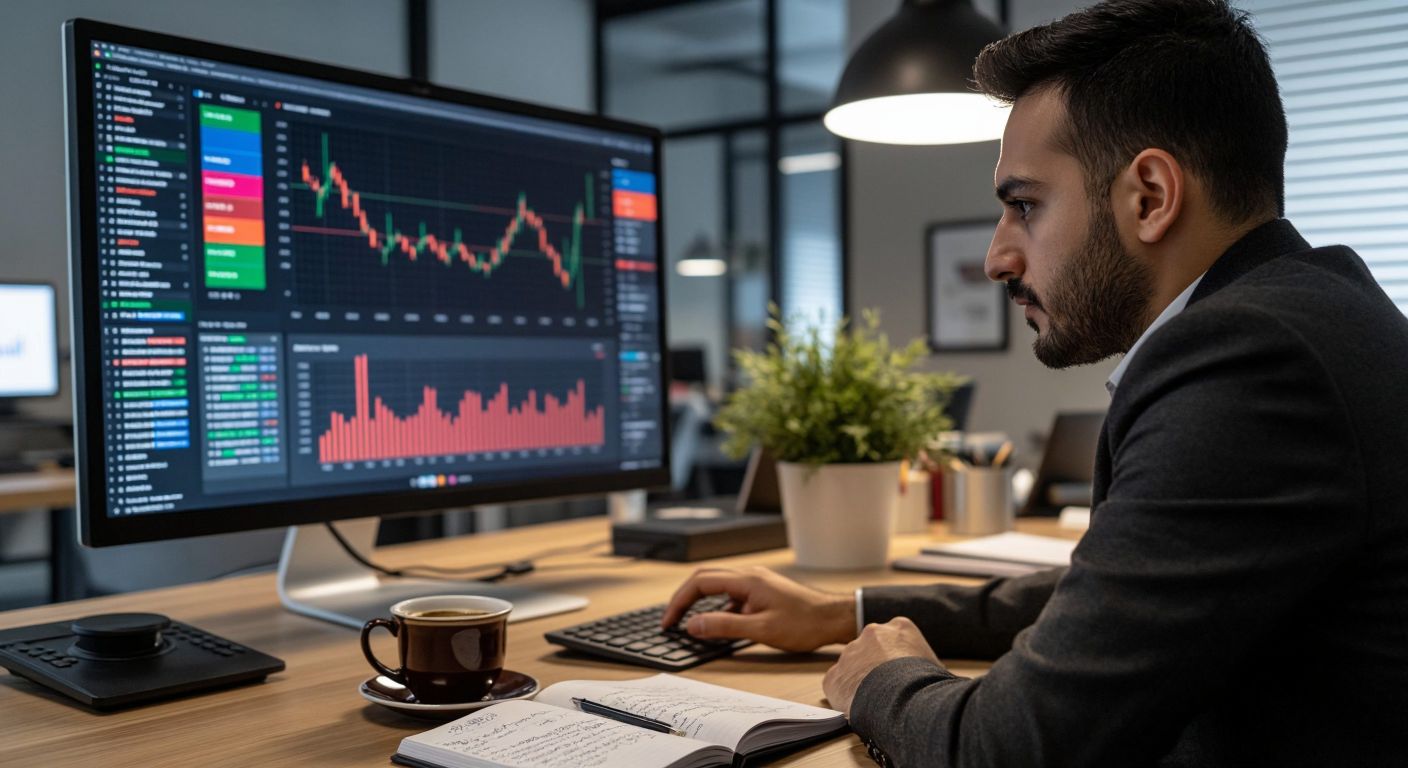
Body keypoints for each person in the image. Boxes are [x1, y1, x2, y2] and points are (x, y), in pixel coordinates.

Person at [660, 1, 1408, 765]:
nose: (996, 259)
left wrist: (880, 681)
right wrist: (841, 611)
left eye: (1024, 206)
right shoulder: (1312, 315)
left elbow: (1011, 750)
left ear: (1149, 195)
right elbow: (1122, 603)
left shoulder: (1249, 362)